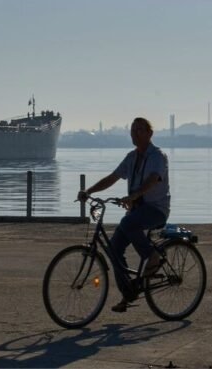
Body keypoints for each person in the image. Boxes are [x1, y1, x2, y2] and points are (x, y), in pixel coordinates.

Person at [78, 117, 170, 313]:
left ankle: (151, 256)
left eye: (139, 130)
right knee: (113, 249)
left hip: (156, 209)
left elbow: (153, 179)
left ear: (149, 133)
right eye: (132, 131)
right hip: (137, 211)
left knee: (128, 223)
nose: (134, 134)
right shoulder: (131, 158)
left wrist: (134, 195)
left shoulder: (157, 156)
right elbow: (113, 177)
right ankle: (128, 293)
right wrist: (89, 191)